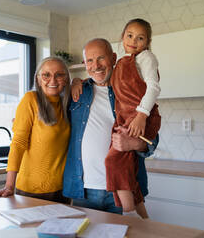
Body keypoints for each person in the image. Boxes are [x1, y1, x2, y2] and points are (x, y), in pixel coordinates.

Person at [62, 37, 159, 217]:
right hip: (83, 190)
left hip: (124, 189)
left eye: (101, 58)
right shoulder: (78, 91)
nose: (96, 65)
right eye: (90, 60)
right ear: (85, 64)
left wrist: (134, 144)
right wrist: (75, 80)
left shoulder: (133, 91)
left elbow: (153, 137)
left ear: (113, 59)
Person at [0, 56, 71, 203]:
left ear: (66, 79)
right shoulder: (30, 100)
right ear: (38, 79)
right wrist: (9, 185)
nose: (53, 80)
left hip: (62, 190)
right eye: (46, 75)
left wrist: (77, 83)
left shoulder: (68, 104)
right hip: (32, 191)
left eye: (59, 75)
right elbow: (18, 143)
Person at [105, 18, 161, 218]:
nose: (134, 41)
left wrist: (141, 116)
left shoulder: (146, 57)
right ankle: (143, 220)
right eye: (130, 35)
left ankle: (130, 216)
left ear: (147, 42)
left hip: (138, 120)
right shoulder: (122, 62)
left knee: (114, 162)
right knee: (129, 170)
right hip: (125, 120)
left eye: (140, 38)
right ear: (122, 36)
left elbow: (153, 87)